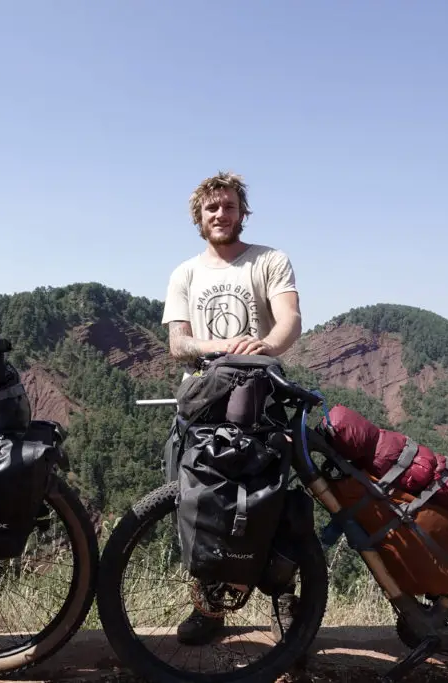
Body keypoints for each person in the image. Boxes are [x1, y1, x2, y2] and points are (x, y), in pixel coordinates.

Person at [161, 170, 303, 647]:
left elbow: (290, 321)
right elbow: (178, 344)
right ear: (199, 218)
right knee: (200, 504)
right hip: (202, 403)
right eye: (212, 208)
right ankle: (209, 608)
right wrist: (222, 345)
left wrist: (263, 345)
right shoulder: (185, 272)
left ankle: (284, 600)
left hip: (258, 401)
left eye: (229, 206)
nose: (221, 214)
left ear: (243, 212)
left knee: (273, 501)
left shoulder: (269, 261)